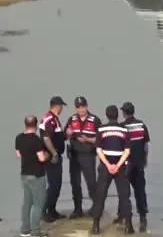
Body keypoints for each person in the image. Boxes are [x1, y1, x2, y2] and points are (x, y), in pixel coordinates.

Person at [92, 105, 135, 234]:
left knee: (100, 196)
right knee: (124, 196)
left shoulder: (101, 129)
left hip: (105, 167)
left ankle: (95, 226)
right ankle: (129, 226)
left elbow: (98, 150)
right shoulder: (124, 130)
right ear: (117, 115)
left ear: (106, 115)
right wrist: (117, 165)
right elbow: (127, 151)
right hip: (120, 167)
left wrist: (108, 164)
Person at [113, 102, 150, 232]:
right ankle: (143, 218)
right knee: (140, 191)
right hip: (139, 164)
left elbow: (119, 146)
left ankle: (121, 215)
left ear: (124, 113)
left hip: (126, 164)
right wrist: (144, 160)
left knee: (124, 191)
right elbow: (145, 145)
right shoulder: (141, 125)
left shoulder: (122, 127)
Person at [64, 96, 101, 219]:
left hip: (88, 155)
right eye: (78, 107)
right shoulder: (72, 119)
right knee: (75, 183)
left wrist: (88, 139)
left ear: (86, 106)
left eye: (83, 107)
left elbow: (100, 139)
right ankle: (77, 209)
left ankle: (96, 207)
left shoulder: (94, 120)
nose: (81, 110)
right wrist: (67, 133)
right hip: (74, 156)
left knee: (91, 183)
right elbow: (65, 134)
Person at [15, 116, 49, 237]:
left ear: (25, 125)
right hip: (37, 175)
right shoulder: (36, 140)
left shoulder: (19, 138)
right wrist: (47, 155)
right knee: (38, 204)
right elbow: (41, 158)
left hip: (24, 174)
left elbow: (18, 154)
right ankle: (36, 232)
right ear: (35, 126)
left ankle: (24, 230)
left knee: (26, 203)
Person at [39, 96, 67, 222]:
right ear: (57, 106)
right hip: (52, 158)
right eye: (61, 106)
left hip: (53, 156)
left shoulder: (51, 118)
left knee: (56, 184)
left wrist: (67, 135)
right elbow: (46, 138)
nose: (62, 108)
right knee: (54, 185)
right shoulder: (50, 119)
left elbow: (57, 137)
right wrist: (54, 153)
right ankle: (44, 211)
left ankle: (52, 210)